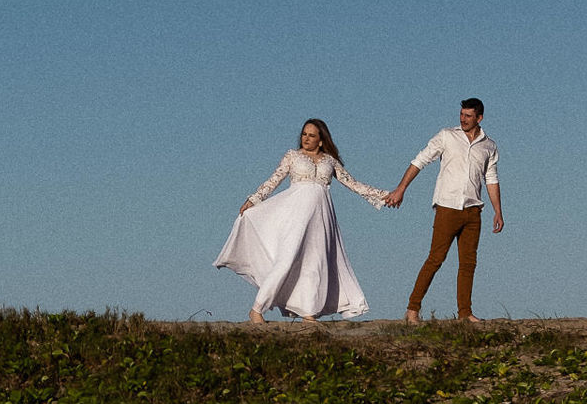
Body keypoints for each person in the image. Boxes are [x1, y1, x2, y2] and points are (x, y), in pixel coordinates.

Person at [215, 118, 387, 323]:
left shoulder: (330, 161)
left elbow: (354, 184)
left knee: (315, 263)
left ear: (321, 140)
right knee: (286, 260)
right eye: (304, 134)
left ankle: (308, 311)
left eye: (312, 135)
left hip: (321, 219)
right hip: (294, 215)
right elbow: (273, 180)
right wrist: (253, 200)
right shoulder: (293, 156)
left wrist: (384, 196)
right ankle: (257, 309)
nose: (306, 138)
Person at [385, 98, 503, 324]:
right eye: (461, 114)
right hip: (447, 208)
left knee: (469, 263)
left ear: (479, 118)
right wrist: (401, 189)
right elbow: (420, 160)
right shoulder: (447, 135)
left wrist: (498, 210)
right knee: (436, 258)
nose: (463, 119)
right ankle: (412, 310)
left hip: (473, 209)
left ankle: (465, 313)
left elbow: (491, 178)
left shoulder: (489, 145)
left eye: (468, 116)